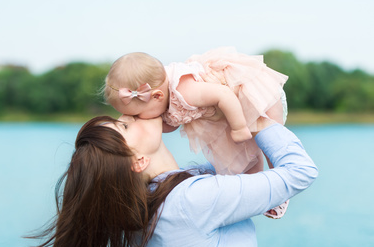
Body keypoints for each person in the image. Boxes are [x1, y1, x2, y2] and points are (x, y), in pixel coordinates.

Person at [28, 114, 318, 247]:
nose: (130, 115)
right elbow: (301, 171)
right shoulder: (189, 200)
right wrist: (253, 114)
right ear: (138, 160)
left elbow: (229, 169)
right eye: (125, 126)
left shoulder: (156, 198)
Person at [103, 47, 289, 218]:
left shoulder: (186, 90)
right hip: (226, 114)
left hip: (252, 94)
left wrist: (239, 127)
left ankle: (280, 187)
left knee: (270, 142)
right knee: (242, 158)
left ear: (157, 96)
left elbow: (224, 95)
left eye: (136, 114)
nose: (136, 119)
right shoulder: (161, 100)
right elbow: (174, 122)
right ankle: (256, 193)